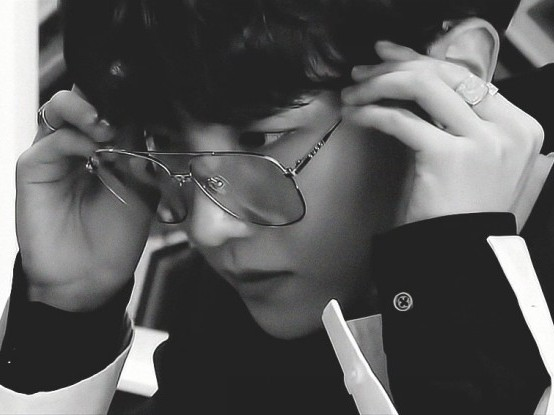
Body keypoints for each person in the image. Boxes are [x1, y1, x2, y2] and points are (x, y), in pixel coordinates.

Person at [1, 0, 553, 413]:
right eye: (164, 142)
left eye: (260, 140)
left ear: (456, 74)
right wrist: (66, 320)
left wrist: (457, 307)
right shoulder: (247, 305)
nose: (209, 228)